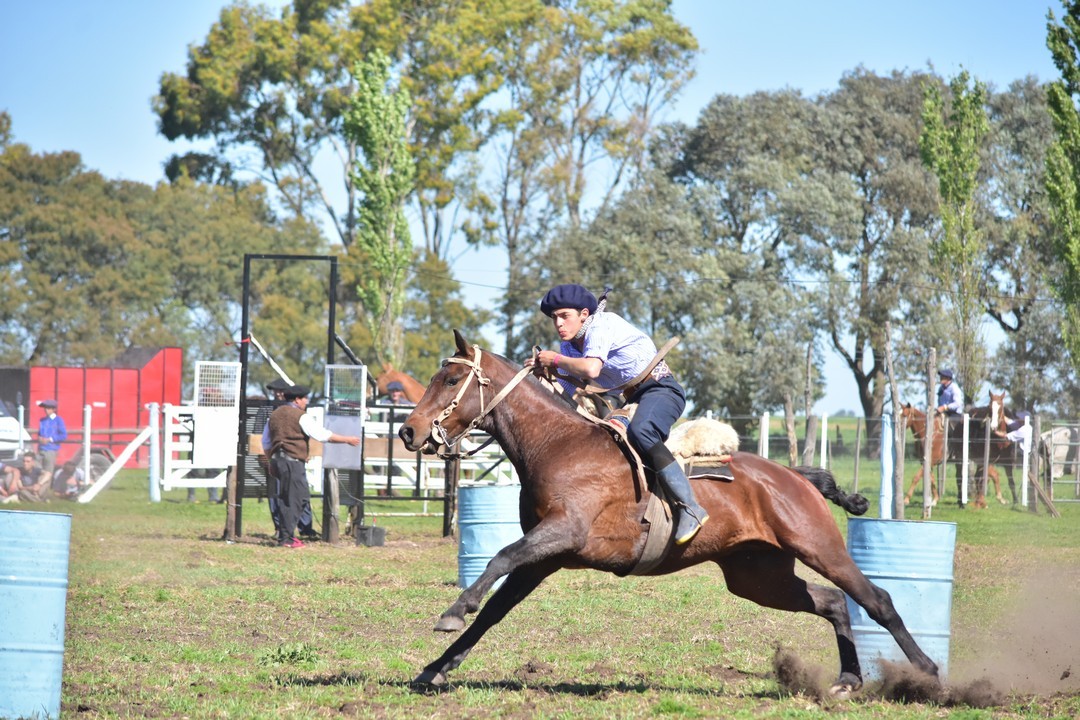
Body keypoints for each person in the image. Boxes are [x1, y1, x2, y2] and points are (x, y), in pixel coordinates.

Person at [525, 283, 708, 545]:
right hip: (633, 399)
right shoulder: (568, 349)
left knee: (641, 430)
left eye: (564, 316)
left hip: (662, 390)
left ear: (585, 314)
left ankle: (690, 507)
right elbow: (562, 395)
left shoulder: (602, 324)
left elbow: (591, 369)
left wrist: (554, 361)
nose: (558, 324)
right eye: (554, 318)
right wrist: (540, 377)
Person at [266, 383, 361, 548]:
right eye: (304, 398)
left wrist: (271, 461)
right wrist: (347, 439)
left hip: (278, 460)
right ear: (297, 399)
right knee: (296, 499)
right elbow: (321, 434)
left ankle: (286, 535)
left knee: (290, 498)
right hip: (292, 463)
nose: (306, 401)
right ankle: (286, 539)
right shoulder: (301, 416)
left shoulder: (274, 415)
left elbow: (266, 442)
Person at [260, 378, 317, 540]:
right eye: (275, 391)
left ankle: (302, 527)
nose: (278, 394)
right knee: (279, 493)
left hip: (289, 456)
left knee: (297, 494)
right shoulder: (269, 410)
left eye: (280, 391)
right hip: (279, 455)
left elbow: (304, 434)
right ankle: (282, 529)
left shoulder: (298, 412)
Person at [36, 399, 67, 474]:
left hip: (51, 450)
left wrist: (50, 439)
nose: (46, 410)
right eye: (45, 408)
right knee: (37, 471)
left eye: (49, 408)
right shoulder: (42, 420)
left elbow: (63, 435)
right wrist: (39, 438)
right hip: (41, 449)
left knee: (48, 472)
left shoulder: (58, 420)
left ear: (54, 409)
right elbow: (40, 433)